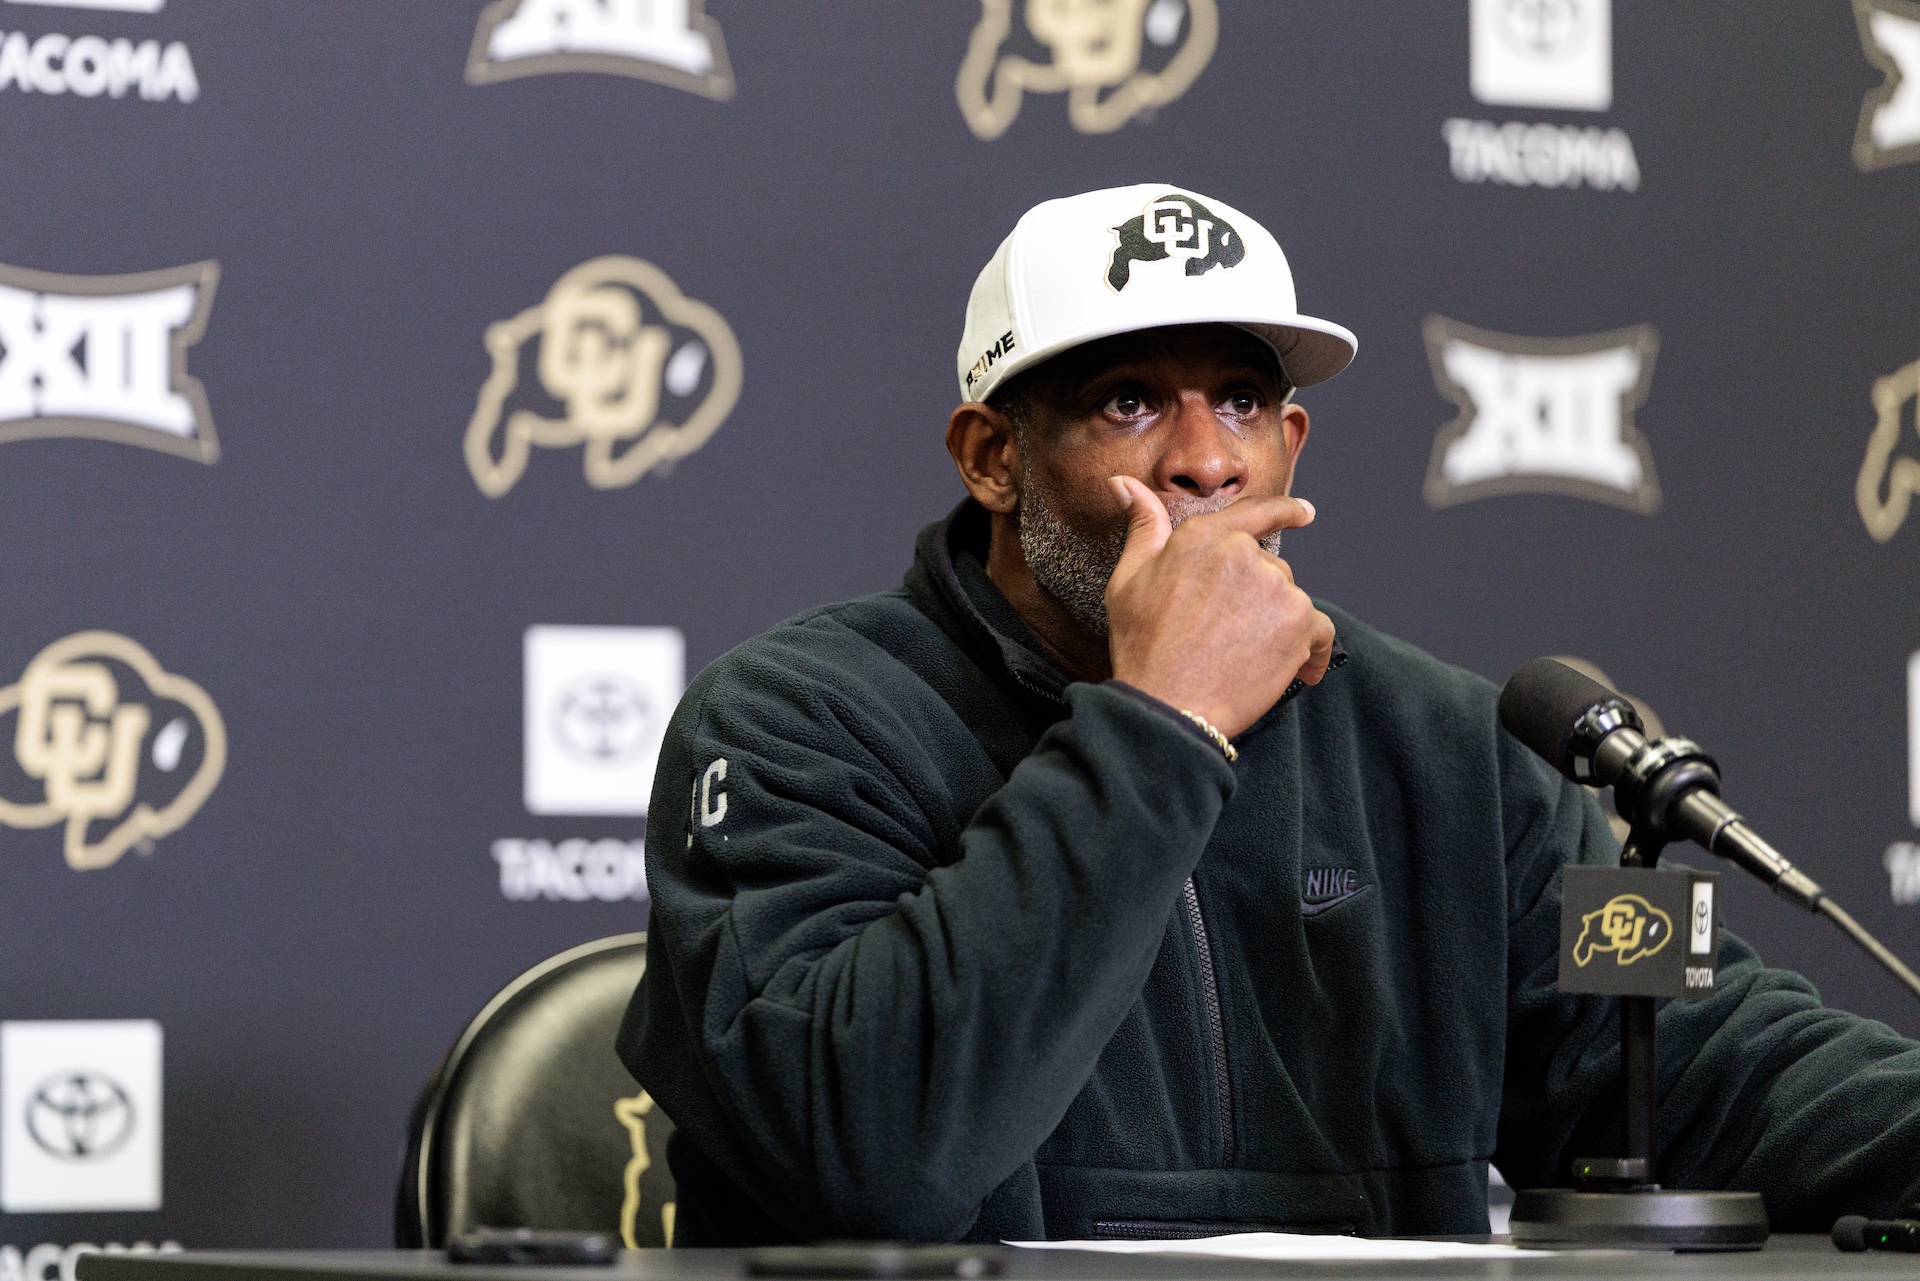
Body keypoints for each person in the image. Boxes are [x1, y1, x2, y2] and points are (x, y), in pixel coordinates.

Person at [617, 184, 1920, 1245]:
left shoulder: (1455, 752)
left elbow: (1715, 1060)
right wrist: (1162, 718)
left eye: (1240, 400)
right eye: (1130, 401)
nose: (1205, 456)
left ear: (1293, 438)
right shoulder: (793, 722)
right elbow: (868, 1150)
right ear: (992, 457)